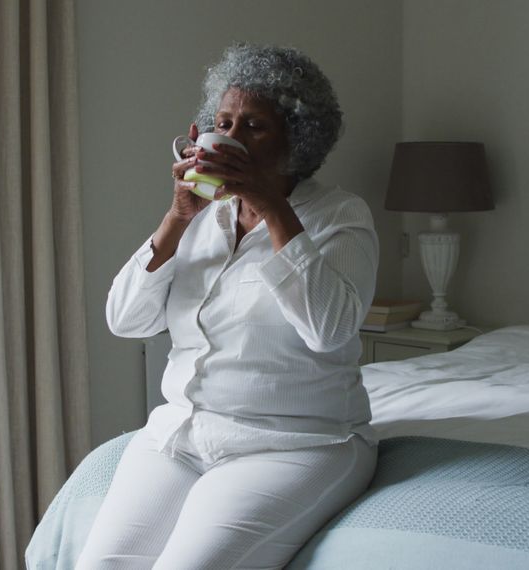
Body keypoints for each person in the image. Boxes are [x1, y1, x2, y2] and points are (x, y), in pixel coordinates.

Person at [79, 44, 379, 569]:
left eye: (254, 126)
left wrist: (272, 205)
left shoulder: (340, 216)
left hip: (295, 442)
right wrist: (177, 218)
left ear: (297, 139)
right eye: (222, 122)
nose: (231, 137)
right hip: (180, 434)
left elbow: (330, 331)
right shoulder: (202, 218)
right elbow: (126, 321)